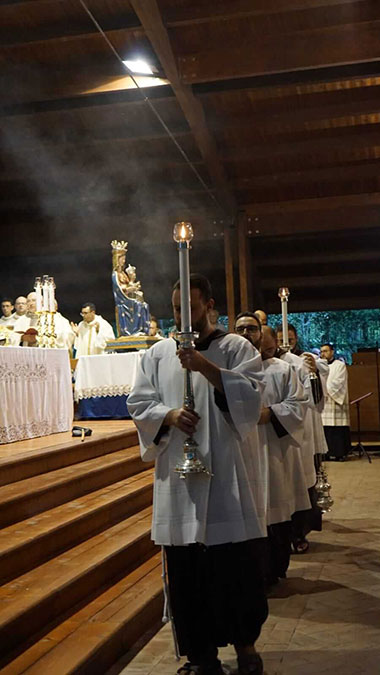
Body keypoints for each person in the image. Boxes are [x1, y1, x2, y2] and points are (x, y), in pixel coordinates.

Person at [128, 274, 269, 675]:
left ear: (209, 305)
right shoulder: (156, 354)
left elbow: (250, 398)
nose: (181, 316)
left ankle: (246, 648)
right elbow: (139, 402)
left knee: (236, 569)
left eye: (189, 308)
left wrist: (205, 366)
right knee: (189, 575)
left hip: (227, 478)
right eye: (175, 309)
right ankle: (201, 656)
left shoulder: (235, 346)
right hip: (179, 480)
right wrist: (168, 415)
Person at [320, 343, 351, 460]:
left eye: (326, 351)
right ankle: (326, 453)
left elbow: (339, 383)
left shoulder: (340, 365)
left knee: (337, 429)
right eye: (321, 351)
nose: (323, 353)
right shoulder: (318, 366)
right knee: (326, 429)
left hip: (336, 402)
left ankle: (339, 453)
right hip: (324, 402)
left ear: (332, 352)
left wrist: (323, 387)